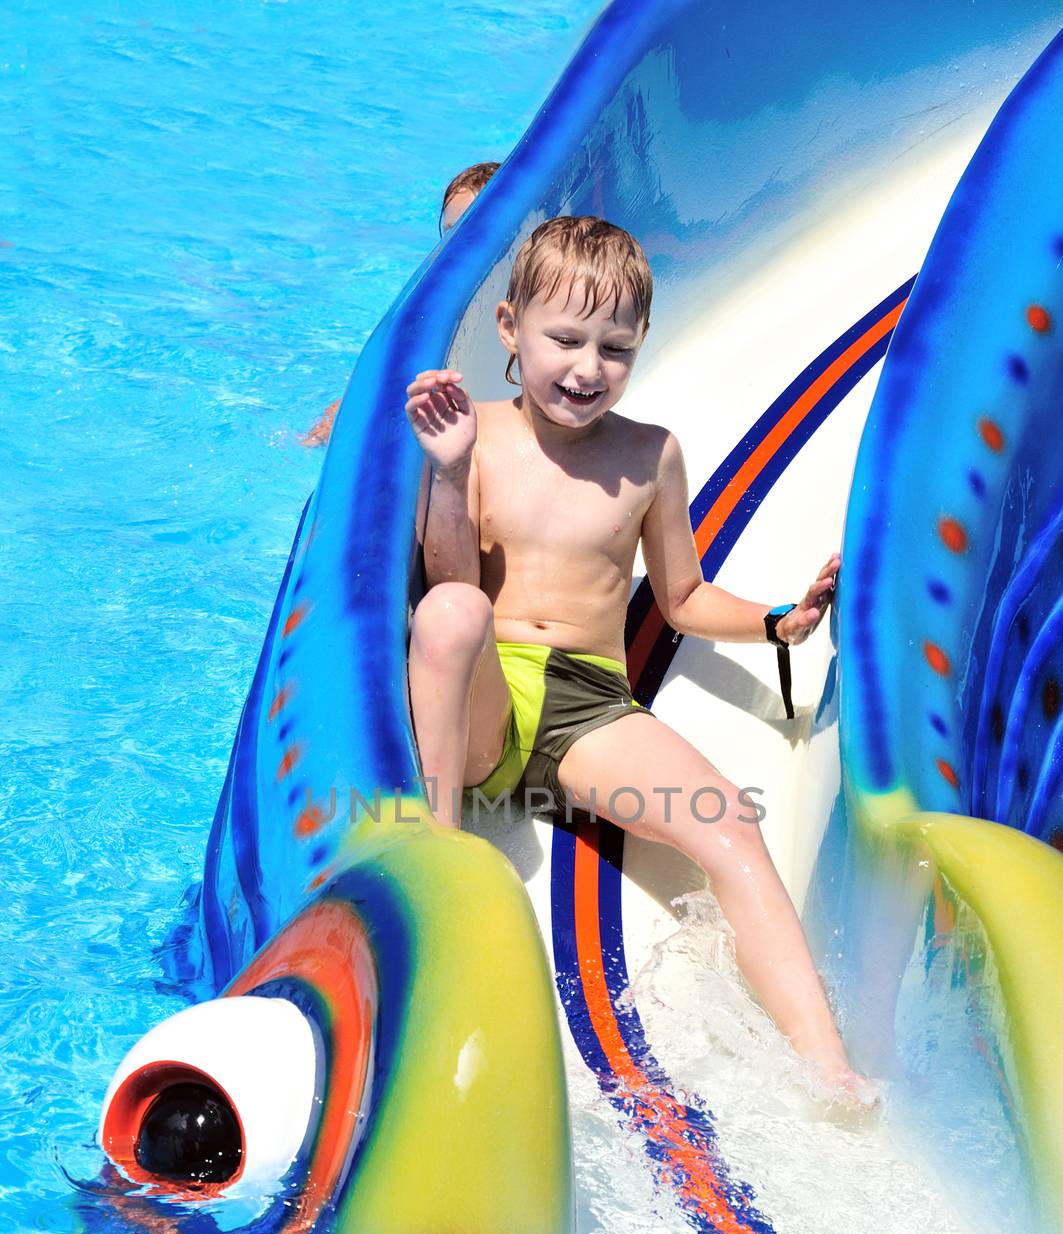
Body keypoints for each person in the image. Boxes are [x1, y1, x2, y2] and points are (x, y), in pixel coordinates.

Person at [404, 214, 872, 1105]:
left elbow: (682, 596)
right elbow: (447, 579)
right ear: (510, 329)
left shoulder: (649, 456)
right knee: (455, 609)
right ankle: (440, 846)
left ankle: (826, 1062)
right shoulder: (480, 438)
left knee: (729, 822)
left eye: (613, 348)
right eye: (564, 340)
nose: (587, 369)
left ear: (640, 343)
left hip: (590, 703)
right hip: (483, 693)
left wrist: (779, 622)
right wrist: (446, 469)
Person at [300, 161, 500, 449]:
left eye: (471, 232)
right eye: (450, 232)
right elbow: (391, 369)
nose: (454, 246)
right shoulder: (432, 299)